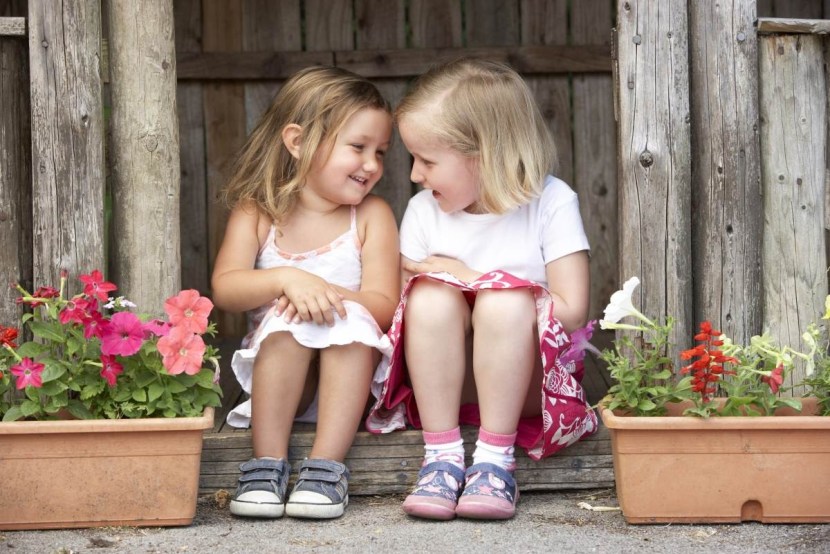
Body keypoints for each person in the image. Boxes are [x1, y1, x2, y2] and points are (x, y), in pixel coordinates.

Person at [365, 58, 598, 521]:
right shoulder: (423, 212)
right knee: (428, 296)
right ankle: (441, 458)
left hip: (528, 388)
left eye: (428, 161)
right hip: (443, 388)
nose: (414, 174)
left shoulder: (551, 202)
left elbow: (571, 310)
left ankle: (494, 461)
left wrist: (475, 280)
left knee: (505, 302)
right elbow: (401, 315)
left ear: (484, 155)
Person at [212, 66, 399, 520]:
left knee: (351, 325)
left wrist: (327, 293)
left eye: (380, 152)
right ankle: (265, 465)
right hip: (279, 385)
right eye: (358, 147)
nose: (372, 165)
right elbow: (226, 289)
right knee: (287, 323)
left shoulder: (372, 215)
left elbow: (383, 306)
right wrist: (287, 280)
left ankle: (325, 470)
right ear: (297, 142)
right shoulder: (258, 211)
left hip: (348, 387)